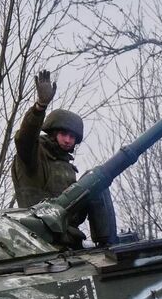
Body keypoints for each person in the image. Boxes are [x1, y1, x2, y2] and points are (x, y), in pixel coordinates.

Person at [12, 68, 118, 244]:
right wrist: (40, 107)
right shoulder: (34, 156)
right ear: (53, 133)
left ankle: (108, 243)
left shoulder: (66, 165)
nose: (68, 140)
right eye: (64, 134)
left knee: (98, 179)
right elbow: (24, 139)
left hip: (69, 236)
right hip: (40, 235)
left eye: (72, 137)